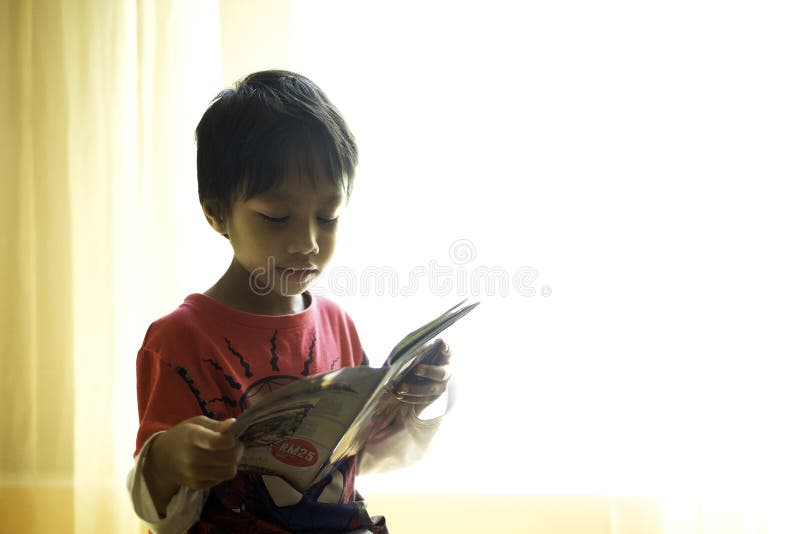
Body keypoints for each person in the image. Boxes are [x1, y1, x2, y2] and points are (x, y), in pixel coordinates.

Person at [126, 70, 452, 534]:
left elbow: (366, 452)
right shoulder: (179, 339)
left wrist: (411, 399)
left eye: (327, 217)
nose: (307, 242)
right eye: (277, 218)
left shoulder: (337, 322)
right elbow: (151, 500)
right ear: (216, 212)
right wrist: (169, 458)